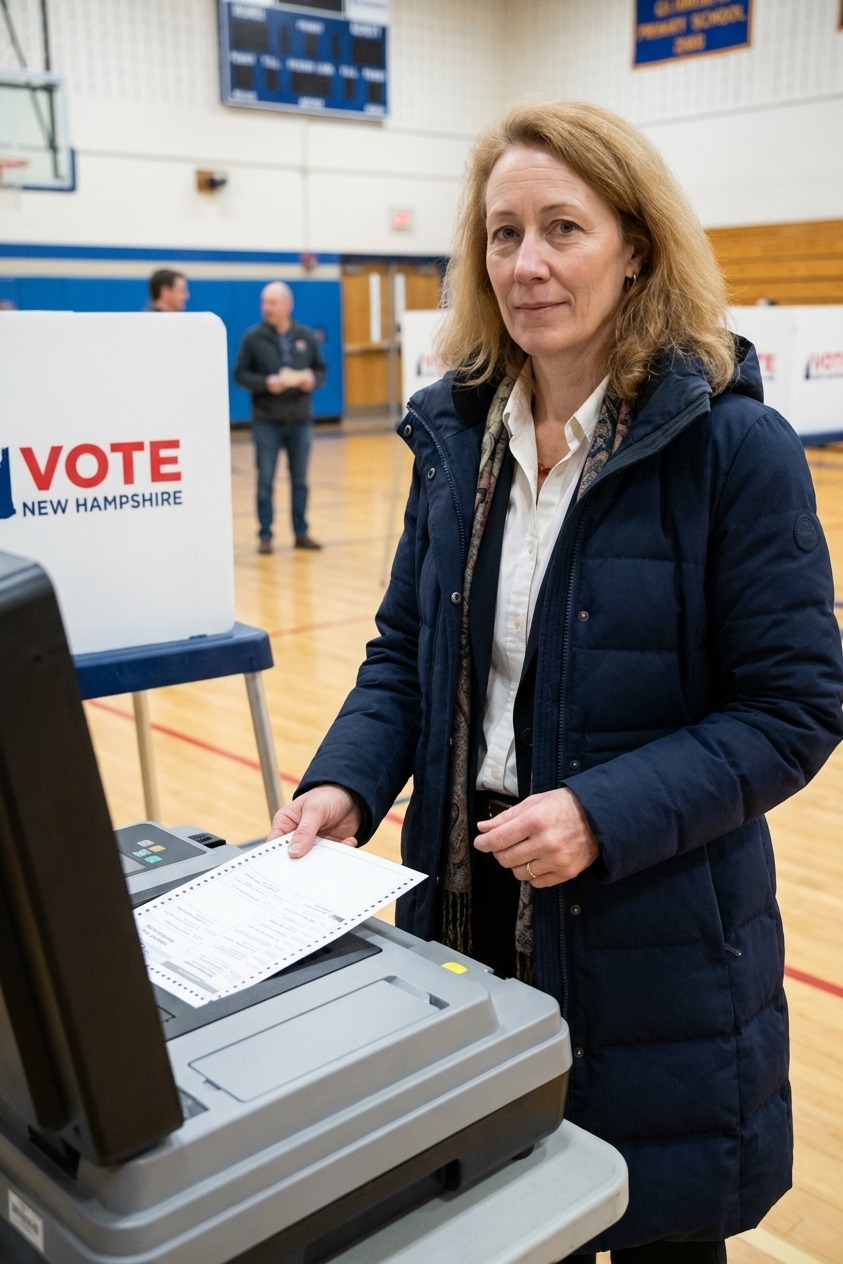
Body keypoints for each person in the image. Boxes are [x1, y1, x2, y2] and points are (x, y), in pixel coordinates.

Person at [268, 101, 843, 1258]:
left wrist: (599, 813)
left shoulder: (733, 450)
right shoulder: (455, 438)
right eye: (502, 233)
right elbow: (401, 657)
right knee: (492, 1223)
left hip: (651, 922)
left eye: (564, 229)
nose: (527, 264)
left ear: (635, 245)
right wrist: (345, 787)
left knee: (651, 1224)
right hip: (466, 902)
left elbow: (795, 706)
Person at [234, 281, 326, 552]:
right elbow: (240, 373)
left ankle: (301, 533)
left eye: (272, 303)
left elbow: (320, 369)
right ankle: (265, 535)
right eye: (264, 303)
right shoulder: (253, 337)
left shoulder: (305, 335)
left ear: (287, 304)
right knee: (265, 481)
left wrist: (313, 380)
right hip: (267, 422)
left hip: (300, 421)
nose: (266, 308)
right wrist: (265, 383)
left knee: (300, 481)